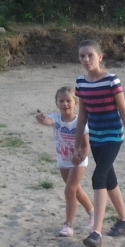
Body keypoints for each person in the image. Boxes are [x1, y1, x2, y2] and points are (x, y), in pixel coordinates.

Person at [72, 39, 125, 247]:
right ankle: (124, 220)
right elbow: (82, 116)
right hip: (95, 137)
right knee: (109, 178)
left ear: (100, 57)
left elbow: (123, 111)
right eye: (82, 56)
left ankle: (96, 233)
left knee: (99, 176)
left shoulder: (112, 80)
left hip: (113, 136)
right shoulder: (81, 83)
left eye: (90, 55)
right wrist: (77, 145)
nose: (86, 59)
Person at [36, 86, 94, 237]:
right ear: (56, 103)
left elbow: (86, 145)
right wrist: (42, 120)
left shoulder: (80, 122)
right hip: (63, 161)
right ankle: (92, 211)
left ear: (76, 103)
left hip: (78, 162)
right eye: (61, 101)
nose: (65, 104)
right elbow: (48, 121)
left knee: (69, 190)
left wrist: (80, 157)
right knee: (76, 190)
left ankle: (69, 225)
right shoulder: (56, 118)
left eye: (68, 101)